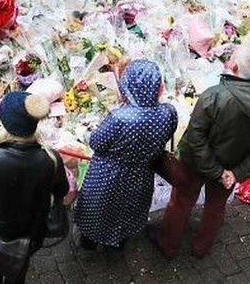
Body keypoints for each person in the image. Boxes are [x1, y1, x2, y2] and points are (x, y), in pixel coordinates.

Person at [157, 41, 250, 258]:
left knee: (182, 201)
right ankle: (201, 247)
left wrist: (216, 171)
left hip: (197, 164)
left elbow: (196, 138)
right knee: (216, 205)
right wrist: (235, 173)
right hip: (233, 167)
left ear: (233, 67)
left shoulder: (214, 96)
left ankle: (168, 244)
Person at [0, 88, 68, 283]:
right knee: (18, 269)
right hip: (32, 232)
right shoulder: (51, 158)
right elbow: (62, 191)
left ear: (6, 123)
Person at [75, 60, 177, 250]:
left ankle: (89, 243)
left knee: (99, 209)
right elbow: (166, 135)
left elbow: (96, 143)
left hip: (107, 174)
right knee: (127, 210)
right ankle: (118, 243)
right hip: (140, 174)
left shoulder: (120, 117)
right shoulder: (168, 112)